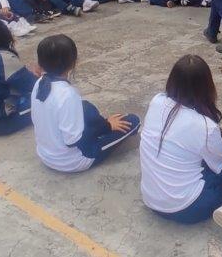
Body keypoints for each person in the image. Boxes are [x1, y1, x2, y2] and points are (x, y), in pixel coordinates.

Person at [139, 55, 222, 224]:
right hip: (188, 208)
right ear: (207, 86)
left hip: (151, 200)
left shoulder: (157, 101)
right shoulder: (205, 126)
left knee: (200, 159)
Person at [31, 35, 140, 172]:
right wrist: (107, 126)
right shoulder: (68, 94)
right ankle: (105, 127)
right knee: (133, 121)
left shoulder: (39, 83)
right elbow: (72, 141)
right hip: (72, 161)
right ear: (73, 62)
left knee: (85, 106)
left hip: (45, 154)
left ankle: (101, 124)